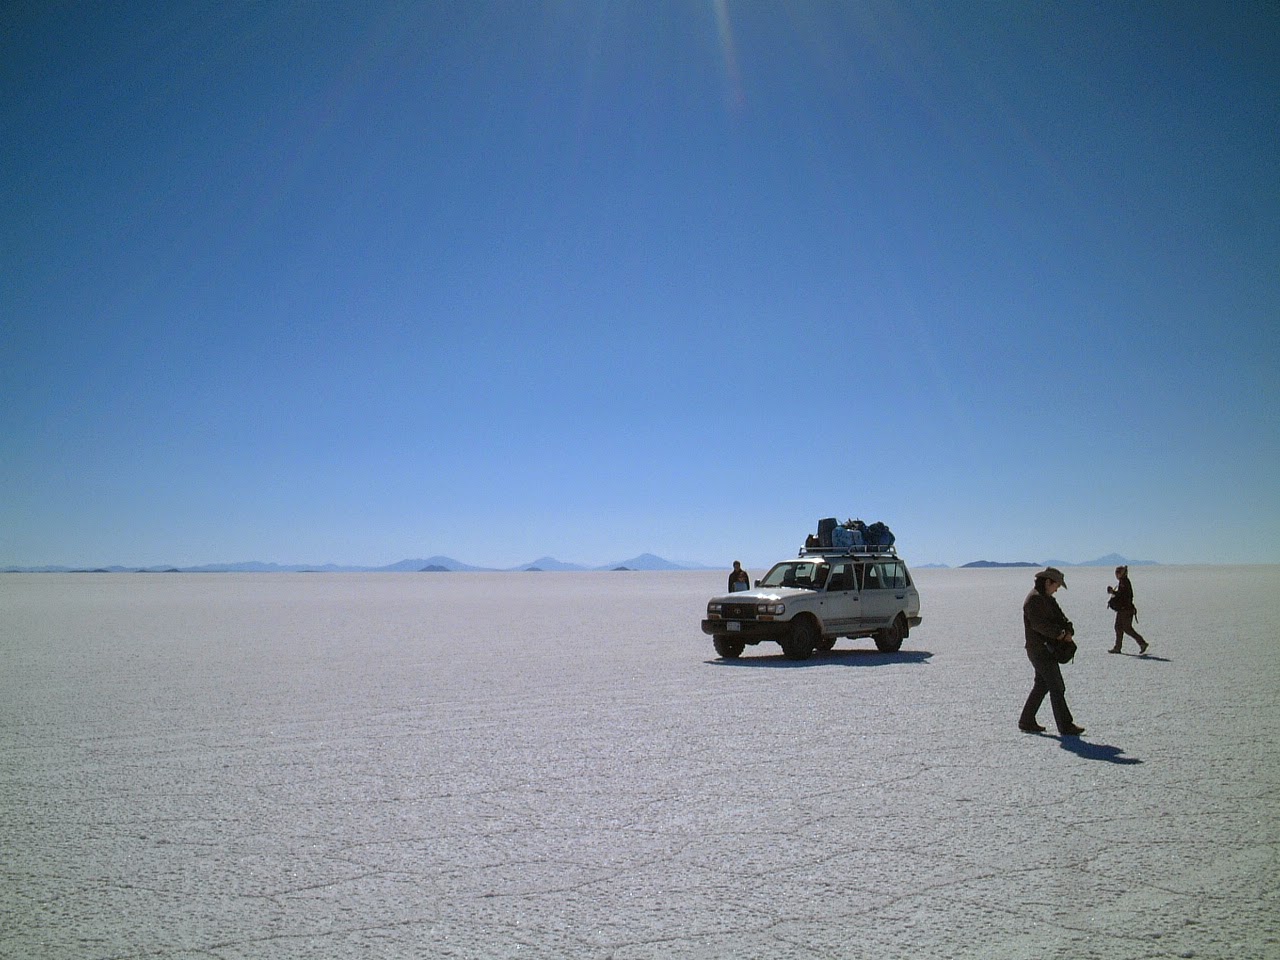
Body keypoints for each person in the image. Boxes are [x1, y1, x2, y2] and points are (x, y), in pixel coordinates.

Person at [1019, 567, 1085, 736]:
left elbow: (1061, 618)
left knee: (1042, 685)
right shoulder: (1034, 599)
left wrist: (1068, 629)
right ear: (1048, 582)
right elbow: (1039, 625)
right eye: (1056, 585)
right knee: (1057, 686)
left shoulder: (1046, 598)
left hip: (1045, 650)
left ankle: (1026, 721)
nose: (1057, 589)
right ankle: (1065, 726)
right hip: (1039, 651)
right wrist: (1061, 635)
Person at [1107, 565, 1149, 655]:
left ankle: (1142, 643)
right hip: (1123, 609)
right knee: (1118, 627)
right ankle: (1117, 647)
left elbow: (1123, 596)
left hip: (1126, 610)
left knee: (1127, 628)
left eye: (1118, 573)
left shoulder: (1124, 582)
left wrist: (1113, 592)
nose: (1116, 575)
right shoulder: (1123, 581)